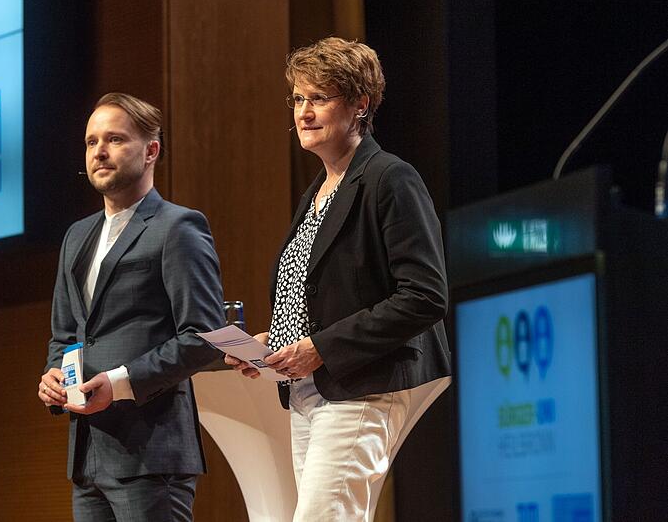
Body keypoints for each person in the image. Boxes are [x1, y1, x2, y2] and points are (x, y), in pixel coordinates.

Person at [225, 37, 451, 521]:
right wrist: (274, 344)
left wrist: (321, 347)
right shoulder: (319, 190)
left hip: (362, 386)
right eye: (299, 99)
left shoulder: (390, 178)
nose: (304, 112)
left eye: (319, 98)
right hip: (309, 393)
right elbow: (321, 297)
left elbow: (425, 296)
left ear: (359, 105)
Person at [38, 92, 224, 521]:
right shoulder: (76, 236)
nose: (99, 151)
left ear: (151, 150)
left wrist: (119, 383)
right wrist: (53, 378)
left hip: (151, 454)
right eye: (91, 142)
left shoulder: (177, 227)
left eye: (115, 139)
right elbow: (66, 334)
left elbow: (202, 337)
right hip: (88, 456)